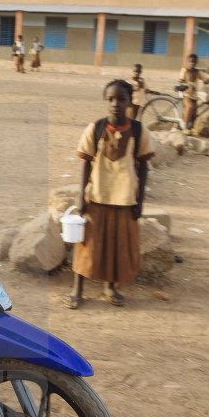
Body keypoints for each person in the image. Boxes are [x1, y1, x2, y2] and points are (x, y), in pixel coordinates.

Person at [65, 80, 154, 309]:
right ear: (106, 101)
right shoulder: (95, 128)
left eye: (121, 99)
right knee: (87, 246)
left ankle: (110, 287)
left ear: (129, 101)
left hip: (125, 199)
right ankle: (78, 288)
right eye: (111, 99)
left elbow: (143, 166)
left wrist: (140, 200)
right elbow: (85, 163)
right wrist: (81, 197)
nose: (116, 104)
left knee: (118, 246)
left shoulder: (137, 130)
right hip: (97, 197)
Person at [178, 53, 209, 134]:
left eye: (194, 62)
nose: (192, 63)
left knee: (194, 112)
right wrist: (188, 85)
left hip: (194, 96)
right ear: (188, 62)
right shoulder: (184, 70)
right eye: (191, 62)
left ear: (196, 63)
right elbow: (181, 82)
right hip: (185, 93)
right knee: (190, 107)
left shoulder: (197, 72)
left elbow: (205, 79)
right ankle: (184, 127)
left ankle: (189, 128)